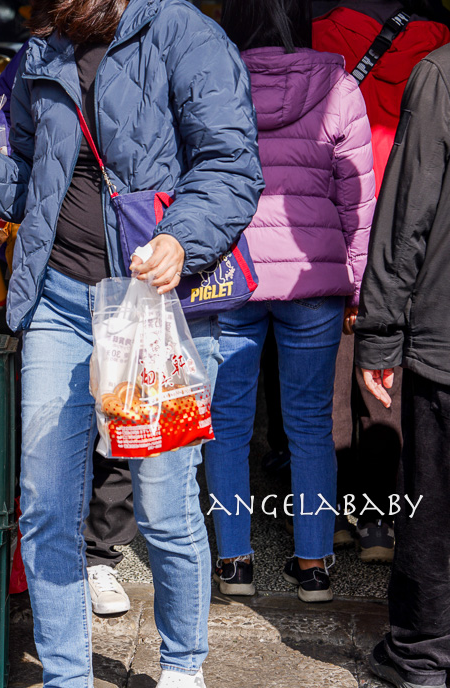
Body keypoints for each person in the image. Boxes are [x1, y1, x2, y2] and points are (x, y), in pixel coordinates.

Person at [0, 0, 263, 684]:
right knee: (45, 503)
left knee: (162, 504)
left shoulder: (185, 33)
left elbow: (231, 164)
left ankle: (184, 667)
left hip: (153, 306)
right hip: (59, 301)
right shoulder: (45, 46)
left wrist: (181, 239)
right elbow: (39, 177)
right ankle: (65, 674)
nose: (52, 14)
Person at [0, 44, 137, 617]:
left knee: (118, 422)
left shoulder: (157, 40)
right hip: (47, 275)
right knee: (49, 427)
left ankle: (101, 558)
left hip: (130, 267)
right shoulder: (36, 55)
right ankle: (43, 566)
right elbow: (17, 151)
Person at [205, 0, 375, 604]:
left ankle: (233, 563)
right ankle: (313, 567)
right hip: (312, 279)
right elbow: (359, 204)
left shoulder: (213, 80)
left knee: (225, 424)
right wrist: (357, 285)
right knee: (309, 425)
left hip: (231, 275)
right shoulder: (339, 87)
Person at [313, 0, 449, 563]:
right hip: (405, 210)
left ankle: (334, 512)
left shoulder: (324, 31)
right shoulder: (438, 36)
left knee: (336, 367)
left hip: (341, 205)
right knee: (388, 365)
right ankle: (377, 519)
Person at [356, 42, 450, 688]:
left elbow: (405, 214)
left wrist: (381, 334)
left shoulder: (442, 73)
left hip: (444, 338)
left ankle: (423, 652)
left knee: (433, 507)